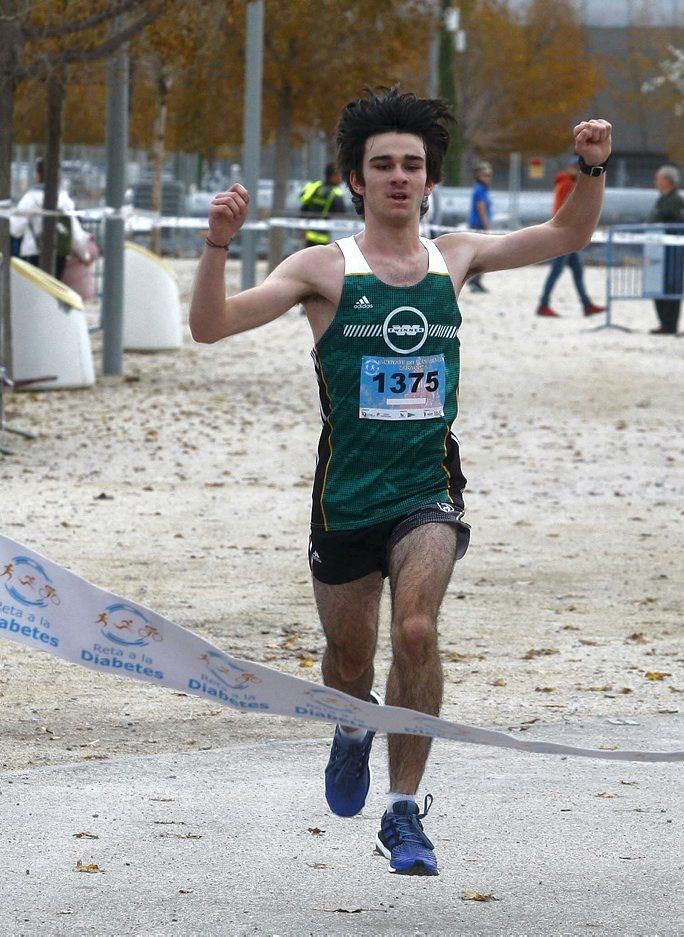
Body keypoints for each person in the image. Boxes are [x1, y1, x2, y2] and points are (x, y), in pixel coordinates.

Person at [189, 87, 612, 876]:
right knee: (349, 661)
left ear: (429, 180)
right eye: (382, 164)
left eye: (411, 165)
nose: (397, 177)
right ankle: (352, 725)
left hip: (427, 487)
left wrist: (589, 164)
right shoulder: (321, 269)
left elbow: (567, 231)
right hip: (345, 494)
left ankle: (403, 808)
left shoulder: (457, 254)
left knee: (416, 631)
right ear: (355, 178)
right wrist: (217, 246)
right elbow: (209, 327)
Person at [536, 159, 605, 318]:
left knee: (577, 270)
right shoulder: (568, 184)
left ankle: (586, 304)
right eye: (578, 169)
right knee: (557, 271)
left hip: (567, 234)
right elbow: (569, 210)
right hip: (564, 235)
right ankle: (544, 304)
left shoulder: (564, 182)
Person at [9, 157, 90, 281]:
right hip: (59, 254)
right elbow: (76, 233)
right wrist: (85, 255)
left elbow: (15, 229)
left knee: (35, 291)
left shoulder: (29, 199)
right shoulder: (64, 200)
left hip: (33, 252)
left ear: (38, 174)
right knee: (52, 292)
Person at [648, 164, 684, 335]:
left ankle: (670, 324)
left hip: (671, 253)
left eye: (659, 178)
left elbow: (679, 224)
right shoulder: (662, 199)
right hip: (658, 250)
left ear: (667, 181)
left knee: (671, 286)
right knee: (659, 286)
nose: (656, 182)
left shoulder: (676, 201)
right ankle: (664, 322)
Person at [299, 161, 347, 247]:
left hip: (308, 234)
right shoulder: (336, 192)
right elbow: (342, 212)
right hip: (325, 237)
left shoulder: (315, 186)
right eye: (340, 175)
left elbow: (303, 205)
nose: (342, 178)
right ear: (333, 176)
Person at [466, 160, 492, 292]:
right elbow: (481, 207)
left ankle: (476, 281)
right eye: (485, 175)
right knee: (482, 255)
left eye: (488, 175)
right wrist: (487, 225)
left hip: (479, 224)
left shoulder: (482, 189)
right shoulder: (480, 190)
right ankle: (474, 281)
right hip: (479, 225)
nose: (487, 178)